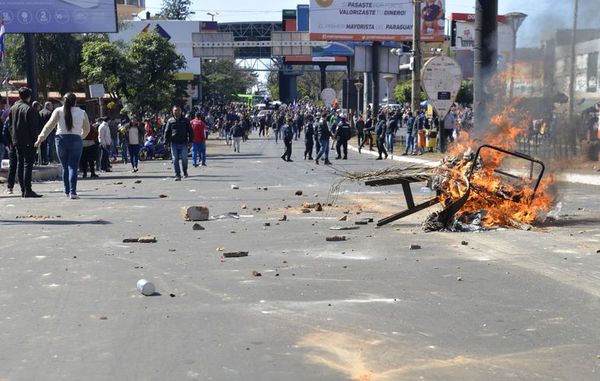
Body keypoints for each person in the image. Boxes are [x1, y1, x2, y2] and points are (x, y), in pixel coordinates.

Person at [35, 92, 90, 199]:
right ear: (75, 101)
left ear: (63, 101)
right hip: (76, 139)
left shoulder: (58, 111)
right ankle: (73, 192)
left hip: (60, 140)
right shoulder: (82, 112)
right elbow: (87, 129)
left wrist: (40, 138)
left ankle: (66, 191)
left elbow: (49, 126)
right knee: (73, 166)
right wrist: (80, 137)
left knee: (65, 167)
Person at [9, 87, 42, 198]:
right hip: (28, 141)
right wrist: (36, 141)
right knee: (28, 165)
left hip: (16, 140)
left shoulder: (13, 108)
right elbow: (33, 128)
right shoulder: (29, 109)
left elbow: (10, 125)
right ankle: (28, 189)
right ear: (29, 96)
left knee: (20, 164)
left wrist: (12, 139)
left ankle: (23, 189)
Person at [164, 105, 193, 181]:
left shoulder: (186, 120)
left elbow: (190, 131)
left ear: (181, 111)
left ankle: (185, 171)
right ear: (173, 111)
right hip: (174, 143)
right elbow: (166, 132)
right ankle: (177, 175)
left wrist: (190, 141)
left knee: (184, 159)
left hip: (183, 143)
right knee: (175, 159)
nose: (176, 112)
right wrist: (165, 143)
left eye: (178, 110)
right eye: (175, 110)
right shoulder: (170, 121)